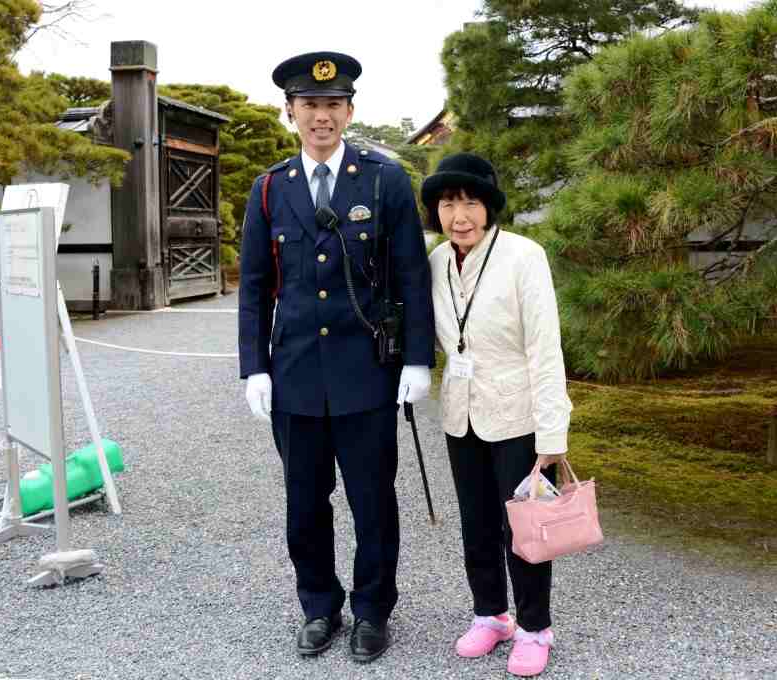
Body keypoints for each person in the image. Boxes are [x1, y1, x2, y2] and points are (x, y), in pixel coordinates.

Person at [237, 51, 434, 664]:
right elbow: (253, 286)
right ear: (290, 111)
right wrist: (255, 367)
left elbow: (410, 274)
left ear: (349, 111)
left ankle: (373, 610)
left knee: (372, 501)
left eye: (332, 105)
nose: (320, 116)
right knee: (304, 503)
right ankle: (319, 605)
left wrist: (417, 359)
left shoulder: (382, 180)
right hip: (295, 375)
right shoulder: (269, 189)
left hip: (366, 373)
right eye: (309, 105)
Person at [422, 153, 573, 677]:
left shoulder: (523, 255)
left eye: (470, 202)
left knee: (526, 529)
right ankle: (490, 614)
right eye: (448, 204)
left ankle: (535, 628)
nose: (459, 216)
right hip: (460, 412)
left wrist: (552, 432)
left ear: (488, 206)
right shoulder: (436, 262)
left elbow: (545, 349)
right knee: (476, 523)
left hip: (519, 415)